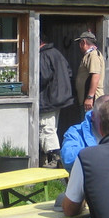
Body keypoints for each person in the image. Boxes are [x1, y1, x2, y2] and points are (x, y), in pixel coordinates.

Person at [38, 33, 74, 168]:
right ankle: (49, 158)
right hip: (60, 97)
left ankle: (55, 158)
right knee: (52, 127)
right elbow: (69, 72)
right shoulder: (57, 53)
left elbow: (43, 77)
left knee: (46, 127)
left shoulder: (44, 55)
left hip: (48, 98)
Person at [74, 30, 105, 113]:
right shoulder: (90, 55)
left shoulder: (93, 55)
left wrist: (90, 97)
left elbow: (95, 76)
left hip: (92, 101)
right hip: (88, 99)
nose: (79, 46)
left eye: (80, 43)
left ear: (83, 42)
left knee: (90, 120)